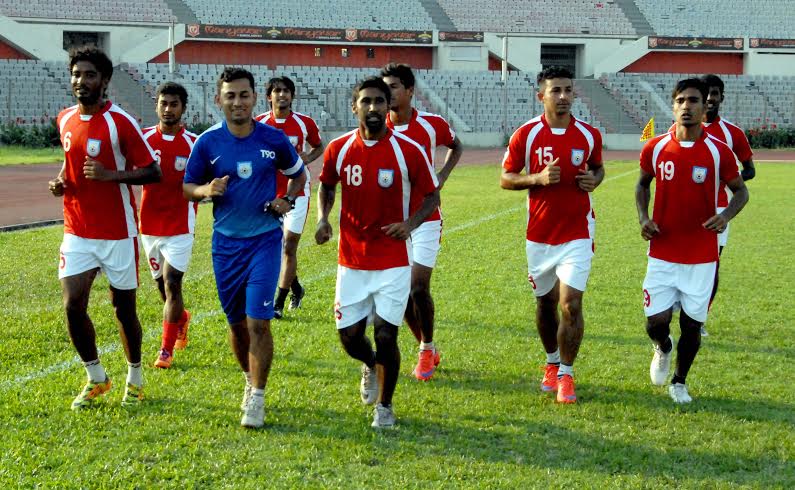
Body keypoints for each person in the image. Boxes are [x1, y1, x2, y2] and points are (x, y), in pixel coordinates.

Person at [183, 67, 306, 428]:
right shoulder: (207, 143)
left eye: (244, 95)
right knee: (236, 325)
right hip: (226, 247)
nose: (237, 102)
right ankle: (248, 379)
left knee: (259, 324)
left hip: (265, 243)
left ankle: (258, 397)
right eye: (230, 96)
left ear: (255, 98)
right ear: (219, 99)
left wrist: (287, 198)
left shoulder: (274, 139)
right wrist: (206, 191)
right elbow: (187, 186)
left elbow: (299, 174)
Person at [315, 77, 440, 428]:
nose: (373, 107)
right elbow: (326, 185)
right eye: (366, 101)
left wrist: (410, 225)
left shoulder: (408, 150)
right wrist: (324, 219)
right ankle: (369, 363)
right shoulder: (338, 148)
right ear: (354, 107)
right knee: (350, 338)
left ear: (388, 108)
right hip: (351, 261)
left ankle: (385, 406)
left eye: (379, 101)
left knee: (387, 333)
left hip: (393, 261)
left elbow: (432, 196)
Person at [48, 45, 161, 410]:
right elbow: (71, 163)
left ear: (105, 80)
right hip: (77, 229)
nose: (82, 81)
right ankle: (96, 376)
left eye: (90, 75)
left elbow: (151, 171)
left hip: (118, 232)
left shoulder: (120, 122)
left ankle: (135, 376)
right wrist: (61, 180)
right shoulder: (65, 118)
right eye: (77, 74)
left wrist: (112, 176)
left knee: (123, 309)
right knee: (71, 305)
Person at [636, 78, 749, 404]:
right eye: (681, 100)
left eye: (694, 101)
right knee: (655, 322)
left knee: (691, 324)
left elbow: (741, 190)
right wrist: (644, 218)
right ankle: (662, 346)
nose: (687, 106)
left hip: (701, 255)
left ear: (705, 107)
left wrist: (726, 215)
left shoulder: (718, 152)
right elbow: (642, 184)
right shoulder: (655, 147)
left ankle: (680, 382)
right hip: (663, 250)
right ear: (673, 106)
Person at [500, 66, 604, 404]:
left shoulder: (588, 135)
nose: (563, 96)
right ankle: (551, 361)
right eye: (555, 90)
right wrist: (537, 179)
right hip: (540, 234)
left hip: (577, 231)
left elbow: (597, 167)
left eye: (568, 90)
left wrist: (595, 180)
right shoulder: (526, 135)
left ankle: (567, 375)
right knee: (545, 303)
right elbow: (506, 178)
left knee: (570, 303)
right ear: (541, 95)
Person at [381, 63, 463, 381]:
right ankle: (426, 345)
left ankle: (426, 350)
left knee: (418, 288)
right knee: (399, 294)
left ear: (410, 91)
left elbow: (456, 147)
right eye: (384, 87)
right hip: (392, 223)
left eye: (395, 87)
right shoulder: (376, 127)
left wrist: (441, 176)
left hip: (426, 218)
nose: (388, 93)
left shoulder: (431, 125)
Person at [140, 82, 198, 369]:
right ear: (157, 106)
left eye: (174, 104)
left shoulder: (194, 144)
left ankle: (165, 350)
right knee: (162, 289)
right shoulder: (143, 139)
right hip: (148, 225)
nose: (168, 109)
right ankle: (182, 318)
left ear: (183, 108)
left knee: (172, 282)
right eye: (163, 103)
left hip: (181, 225)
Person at [255, 76, 323, 319]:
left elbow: (318, 146)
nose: (281, 95)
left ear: (292, 96)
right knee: (274, 248)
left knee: (289, 247)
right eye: (277, 91)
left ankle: (279, 303)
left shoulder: (305, 123)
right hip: (268, 195)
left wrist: (307, 158)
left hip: (297, 194)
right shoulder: (258, 124)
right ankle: (297, 288)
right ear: (268, 96)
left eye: (286, 91)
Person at [698, 74, 756, 336]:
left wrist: (728, 181)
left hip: (720, 209)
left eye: (715, 93)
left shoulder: (733, 133)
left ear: (722, 97)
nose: (710, 98)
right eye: (706, 93)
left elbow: (750, 170)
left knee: (712, 264)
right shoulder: (680, 128)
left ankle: (699, 319)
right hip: (685, 206)